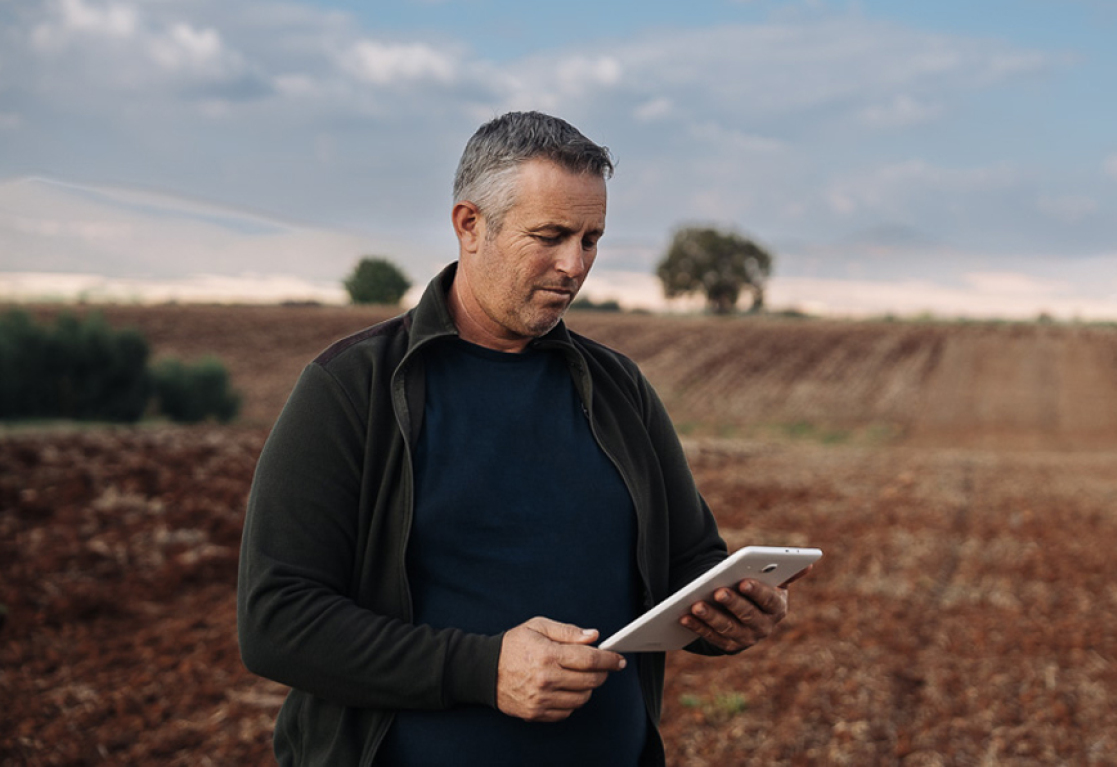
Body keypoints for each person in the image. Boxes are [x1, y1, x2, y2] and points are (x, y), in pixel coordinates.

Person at [237, 111, 795, 767]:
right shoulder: (353, 387)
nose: (574, 265)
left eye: (591, 238)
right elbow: (277, 620)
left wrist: (729, 614)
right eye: (551, 235)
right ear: (469, 225)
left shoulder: (620, 389)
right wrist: (483, 668)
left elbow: (688, 565)